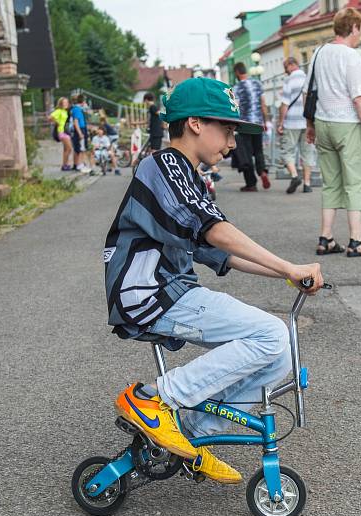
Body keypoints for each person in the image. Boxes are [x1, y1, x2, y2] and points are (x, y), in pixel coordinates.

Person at [104, 77, 324, 483]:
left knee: (283, 353)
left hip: (173, 291)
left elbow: (221, 254)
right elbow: (213, 230)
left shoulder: (188, 175)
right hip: (150, 293)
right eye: (227, 129)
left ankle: (189, 434)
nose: (232, 141)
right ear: (194, 124)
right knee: (272, 335)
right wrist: (289, 268)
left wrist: (286, 272)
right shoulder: (162, 166)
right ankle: (154, 399)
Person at [304, 7, 361, 257]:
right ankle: (357, 241)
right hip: (346, 124)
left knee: (331, 183)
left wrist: (311, 125)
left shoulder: (319, 53)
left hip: (322, 122)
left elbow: (308, 91)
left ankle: (325, 238)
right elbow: (358, 98)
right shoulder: (351, 55)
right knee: (356, 181)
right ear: (354, 28)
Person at [277, 57, 315, 194]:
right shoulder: (309, 78)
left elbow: (285, 104)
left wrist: (280, 123)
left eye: (285, 67)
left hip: (291, 122)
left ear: (292, 65)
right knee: (308, 152)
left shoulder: (289, 80)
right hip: (308, 122)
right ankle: (307, 184)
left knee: (288, 151)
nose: (284, 71)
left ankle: (294, 176)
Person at [231, 62, 270, 192]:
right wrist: (266, 121)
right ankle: (262, 171)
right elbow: (263, 104)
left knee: (246, 154)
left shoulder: (236, 88)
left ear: (237, 72)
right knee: (258, 150)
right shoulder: (257, 84)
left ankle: (251, 184)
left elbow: (235, 108)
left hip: (244, 125)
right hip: (257, 123)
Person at [49, 97, 73, 171]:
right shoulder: (59, 111)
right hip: (61, 131)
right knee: (69, 148)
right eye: (64, 102)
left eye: (67, 102)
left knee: (66, 149)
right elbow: (50, 117)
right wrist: (57, 122)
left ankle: (65, 164)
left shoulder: (65, 111)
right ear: (61, 103)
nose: (66, 104)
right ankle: (65, 164)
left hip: (65, 131)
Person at [70, 94, 90, 173]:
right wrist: (80, 133)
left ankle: (78, 164)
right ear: (82, 101)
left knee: (80, 148)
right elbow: (76, 122)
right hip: (80, 129)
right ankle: (80, 165)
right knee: (81, 148)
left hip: (82, 128)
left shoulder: (79, 109)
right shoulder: (77, 109)